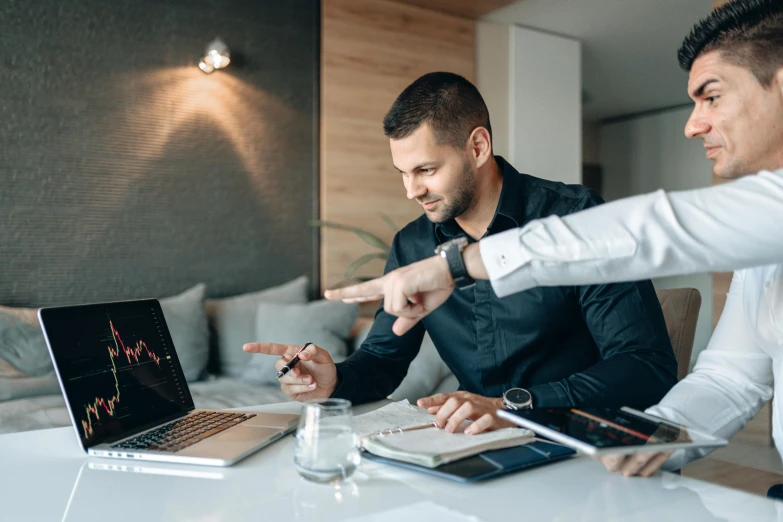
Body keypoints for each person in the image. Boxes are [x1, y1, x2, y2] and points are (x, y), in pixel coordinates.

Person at [326, 0, 783, 478]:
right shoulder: (763, 248)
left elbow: (654, 230)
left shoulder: (575, 209)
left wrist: (456, 266)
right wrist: (648, 438)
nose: (693, 124)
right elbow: (729, 379)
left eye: (711, 97)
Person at [245, 72, 678, 435]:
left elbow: (645, 367)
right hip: (474, 445)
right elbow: (382, 359)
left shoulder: (575, 217)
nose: (412, 191)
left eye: (426, 170)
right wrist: (332, 379)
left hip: (582, 441)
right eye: (403, 173)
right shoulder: (412, 245)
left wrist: (512, 407)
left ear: (478, 147)